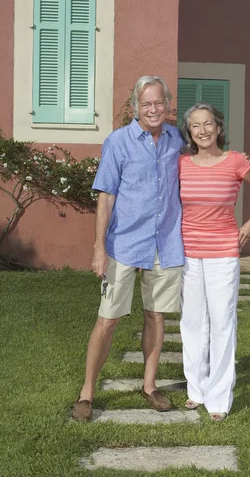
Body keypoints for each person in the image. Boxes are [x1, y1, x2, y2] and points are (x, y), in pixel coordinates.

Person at [72, 76, 185, 421]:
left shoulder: (175, 139)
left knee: (156, 315)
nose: (153, 109)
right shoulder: (118, 142)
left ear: (167, 106)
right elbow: (106, 197)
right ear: (135, 108)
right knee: (108, 320)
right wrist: (98, 248)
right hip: (124, 244)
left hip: (165, 243)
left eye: (159, 103)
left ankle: (149, 386)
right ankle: (87, 393)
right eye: (146, 104)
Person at [178, 102, 250, 421]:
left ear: (219, 128)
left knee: (221, 322)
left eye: (208, 124)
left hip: (222, 254)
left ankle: (218, 397)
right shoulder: (181, 164)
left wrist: (249, 225)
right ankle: (196, 389)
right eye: (195, 126)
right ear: (189, 132)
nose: (202, 130)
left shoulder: (235, 161)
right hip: (188, 252)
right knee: (192, 321)